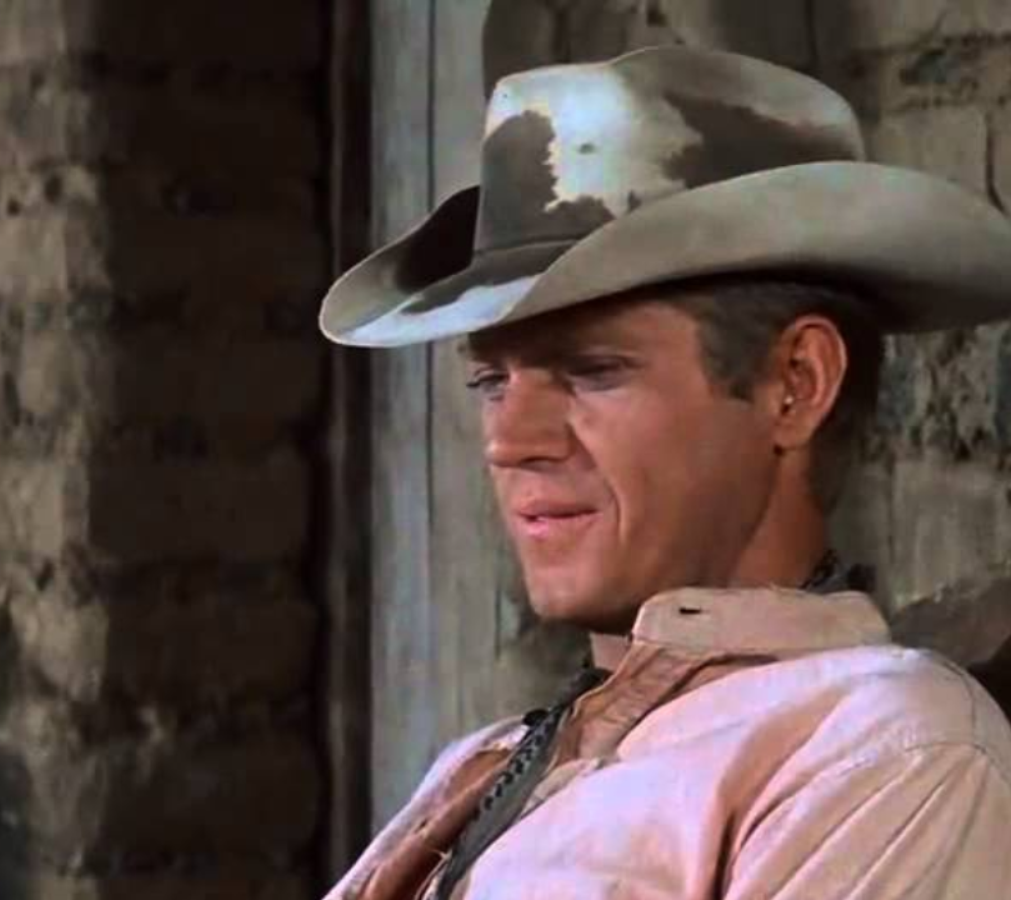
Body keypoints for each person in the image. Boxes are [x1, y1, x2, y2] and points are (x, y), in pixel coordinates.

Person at [319, 46, 1011, 899]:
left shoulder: (883, 756)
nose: (511, 441)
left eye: (593, 372)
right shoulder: (487, 764)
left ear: (796, 386)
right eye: (492, 382)